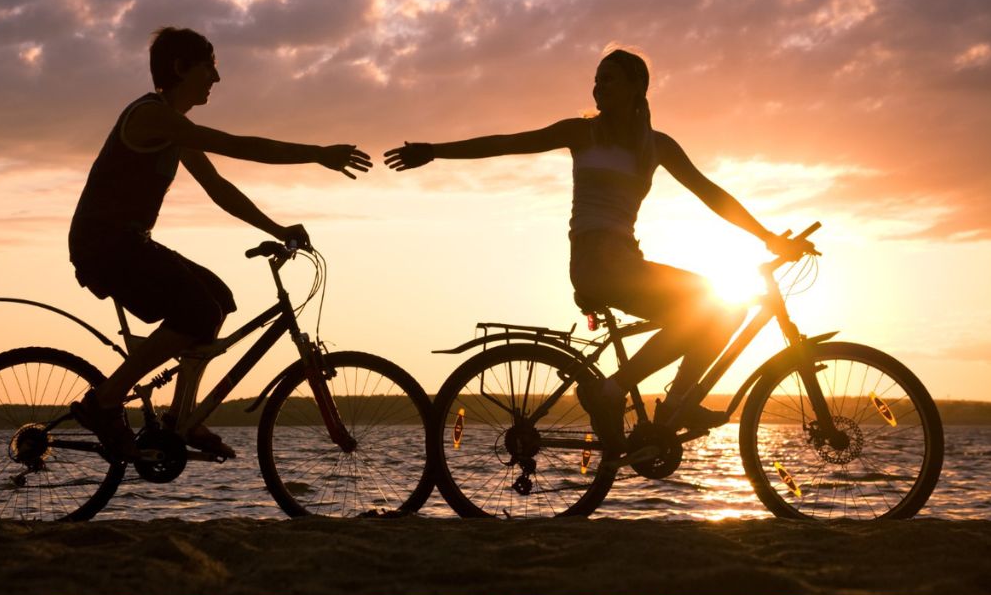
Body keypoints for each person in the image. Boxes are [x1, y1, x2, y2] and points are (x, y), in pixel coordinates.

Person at [384, 48, 808, 452]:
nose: (597, 87)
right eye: (595, 80)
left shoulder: (655, 146)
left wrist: (768, 237)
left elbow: (712, 195)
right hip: (595, 262)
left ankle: (674, 403)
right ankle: (614, 390)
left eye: (608, 79)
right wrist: (435, 151)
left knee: (717, 310)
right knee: (720, 306)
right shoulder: (582, 132)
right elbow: (507, 142)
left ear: (636, 88)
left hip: (625, 261)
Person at [68, 26, 371, 460]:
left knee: (218, 298)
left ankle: (179, 417)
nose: (217, 77)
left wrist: (277, 229)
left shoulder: (174, 128)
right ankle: (105, 401)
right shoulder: (152, 117)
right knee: (198, 310)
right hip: (104, 244)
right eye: (209, 66)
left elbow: (218, 188)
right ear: (180, 68)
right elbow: (236, 146)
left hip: (127, 241)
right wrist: (318, 153)